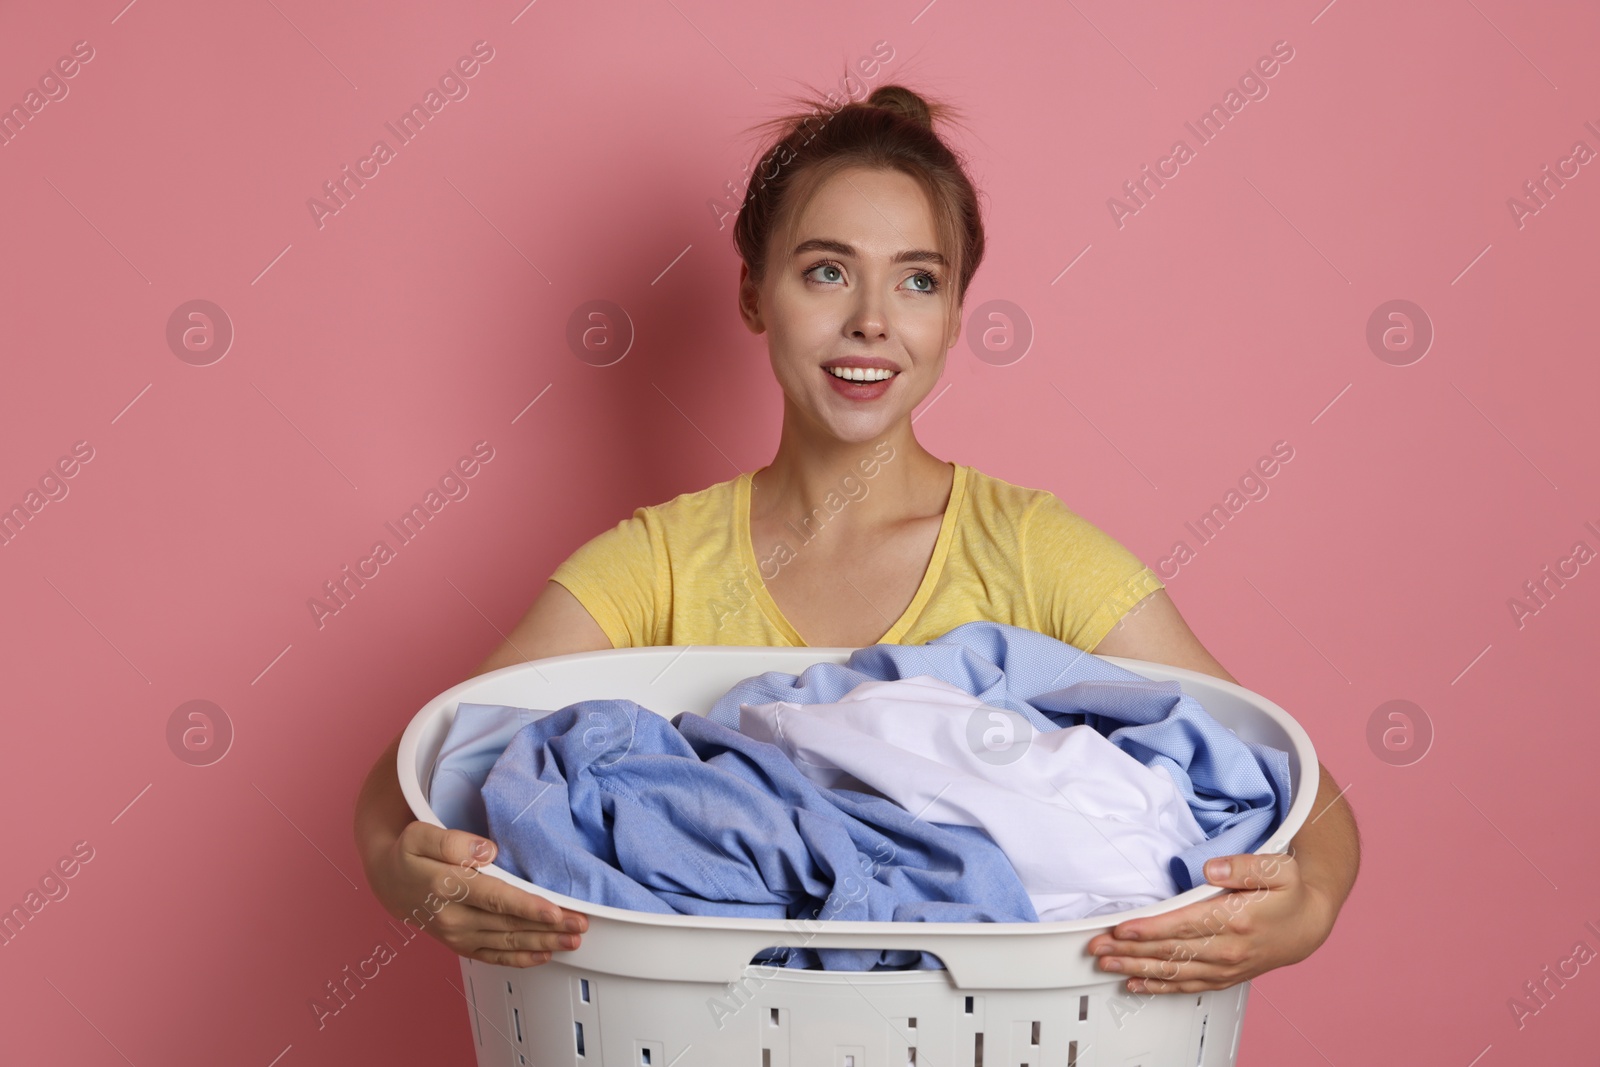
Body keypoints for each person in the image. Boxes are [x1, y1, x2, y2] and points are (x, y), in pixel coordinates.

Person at [354, 82, 1359, 996]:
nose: (872, 320)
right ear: (753, 293)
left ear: (957, 311)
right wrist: (410, 881)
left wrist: (1300, 912)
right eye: (826, 270)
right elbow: (417, 764)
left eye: (917, 281)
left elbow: (1298, 790)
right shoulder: (658, 561)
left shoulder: (1035, 554)